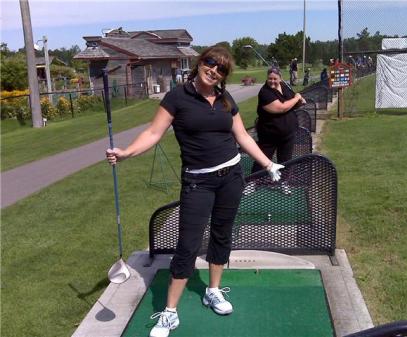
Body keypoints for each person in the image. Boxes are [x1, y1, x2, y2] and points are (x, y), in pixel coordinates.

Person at [105, 46, 284, 337]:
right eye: (211, 63)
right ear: (201, 62)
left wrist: (267, 163)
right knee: (187, 244)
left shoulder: (225, 100)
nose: (214, 70)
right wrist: (126, 153)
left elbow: (241, 136)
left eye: (221, 69)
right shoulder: (177, 97)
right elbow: (153, 133)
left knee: (221, 234)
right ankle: (170, 312)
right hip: (198, 182)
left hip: (231, 177)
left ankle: (212, 291)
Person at [244, 66, 306, 195]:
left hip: (288, 132)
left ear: (280, 78)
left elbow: (293, 105)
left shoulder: (284, 87)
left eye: (275, 79)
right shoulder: (265, 92)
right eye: (270, 78)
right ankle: (252, 182)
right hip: (269, 134)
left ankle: (284, 182)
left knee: (286, 159)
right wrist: (296, 98)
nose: (272, 81)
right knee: (262, 159)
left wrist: (300, 101)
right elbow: (281, 108)